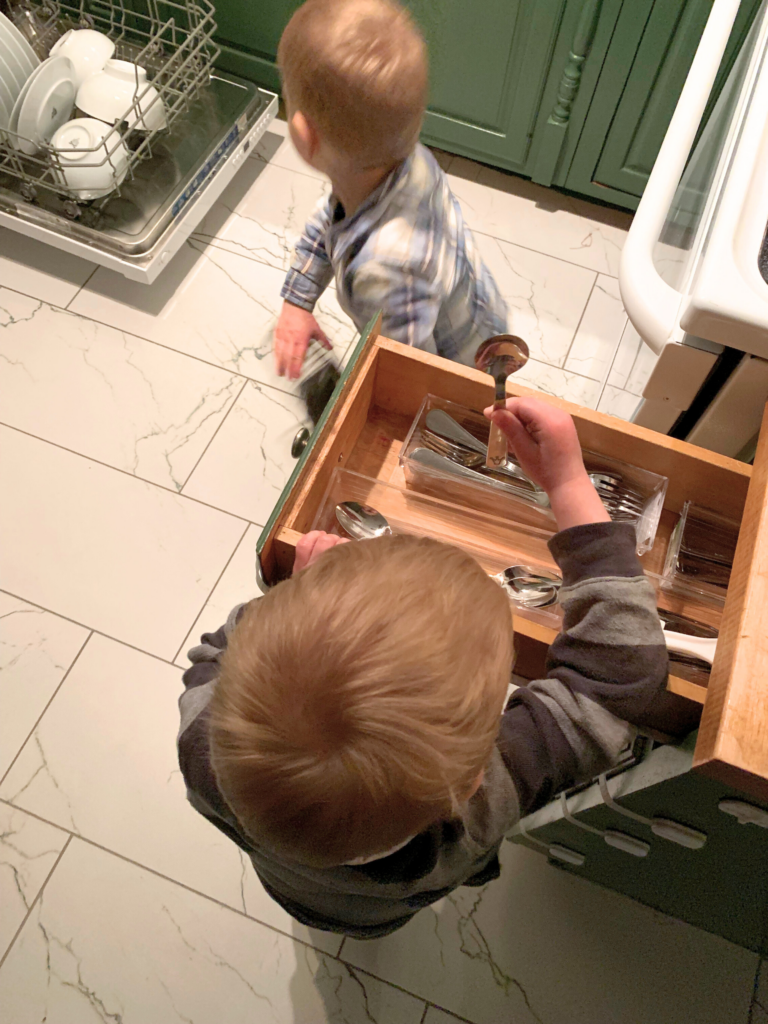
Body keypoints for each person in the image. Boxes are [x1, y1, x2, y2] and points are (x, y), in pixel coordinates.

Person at [177, 397, 699, 939]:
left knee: (324, 906)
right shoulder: (474, 820)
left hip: (290, 885)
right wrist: (568, 483)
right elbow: (619, 673)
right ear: (474, 775)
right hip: (389, 908)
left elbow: (217, 656)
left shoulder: (200, 748)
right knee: (373, 920)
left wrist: (300, 600)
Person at [272, 0, 508, 381]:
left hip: (462, 367)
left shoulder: (384, 271)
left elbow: (413, 371)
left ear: (304, 135)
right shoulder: (404, 160)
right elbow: (331, 215)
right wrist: (299, 299)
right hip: (477, 314)